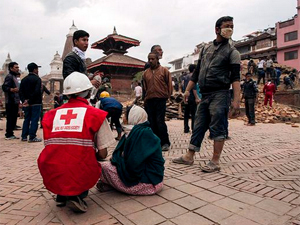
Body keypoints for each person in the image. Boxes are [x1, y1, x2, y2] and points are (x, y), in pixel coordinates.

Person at [38, 72, 115, 213]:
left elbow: (51, 146)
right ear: (87, 92)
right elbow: (103, 153)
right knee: (89, 160)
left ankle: (61, 194)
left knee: (62, 157)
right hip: (80, 169)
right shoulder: (96, 115)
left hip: (51, 168)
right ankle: (77, 194)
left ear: (67, 94)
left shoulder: (50, 115)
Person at [173, 16, 241, 172]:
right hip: (205, 94)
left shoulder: (233, 52)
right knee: (199, 124)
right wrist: (188, 90)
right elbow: (196, 73)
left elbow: (236, 78)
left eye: (232, 26)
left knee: (218, 126)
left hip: (221, 93)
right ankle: (189, 156)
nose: (230, 29)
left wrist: (236, 100)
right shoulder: (206, 49)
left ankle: (215, 161)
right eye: (227, 26)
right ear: (217, 29)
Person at [97, 105, 164, 195]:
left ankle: (115, 185)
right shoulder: (136, 131)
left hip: (149, 183)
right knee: (111, 165)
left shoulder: (141, 134)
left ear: (133, 117)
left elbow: (133, 166)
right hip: (155, 179)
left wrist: (118, 160)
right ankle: (113, 185)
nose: (123, 117)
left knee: (104, 167)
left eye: (125, 115)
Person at [142, 52, 172, 151]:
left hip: (161, 99)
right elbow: (144, 88)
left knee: (160, 121)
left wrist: (168, 96)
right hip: (150, 100)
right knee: (151, 122)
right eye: (149, 59)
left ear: (157, 59)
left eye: (152, 59)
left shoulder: (164, 71)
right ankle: (155, 142)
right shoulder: (145, 73)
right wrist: (145, 99)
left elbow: (169, 85)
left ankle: (165, 142)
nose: (150, 61)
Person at [19, 63, 43, 142]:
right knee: (34, 119)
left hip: (26, 103)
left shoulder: (24, 79)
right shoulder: (37, 79)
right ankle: (32, 136)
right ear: (35, 70)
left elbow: (20, 92)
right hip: (35, 102)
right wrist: (30, 100)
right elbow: (37, 92)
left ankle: (24, 136)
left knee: (27, 119)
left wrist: (24, 101)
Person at [2, 62, 20, 140]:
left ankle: (11, 133)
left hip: (15, 100)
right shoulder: (9, 77)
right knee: (10, 118)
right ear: (11, 68)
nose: (17, 68)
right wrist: (12, 89)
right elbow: (4, 87)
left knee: (13, 118)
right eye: (16, 67)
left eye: (18, 67)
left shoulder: (14, 77)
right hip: (10, 101)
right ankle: (8, 134)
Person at [183, 64, 201, 133]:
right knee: (193, 113)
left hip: (186, 96)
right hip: (192, 97)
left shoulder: (185, 77)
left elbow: (182, 85)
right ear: (194, 70)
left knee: (186, 114)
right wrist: (196, 97)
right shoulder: (193, 77)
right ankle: (193, 128)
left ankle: (186, 128)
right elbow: (194, 89)